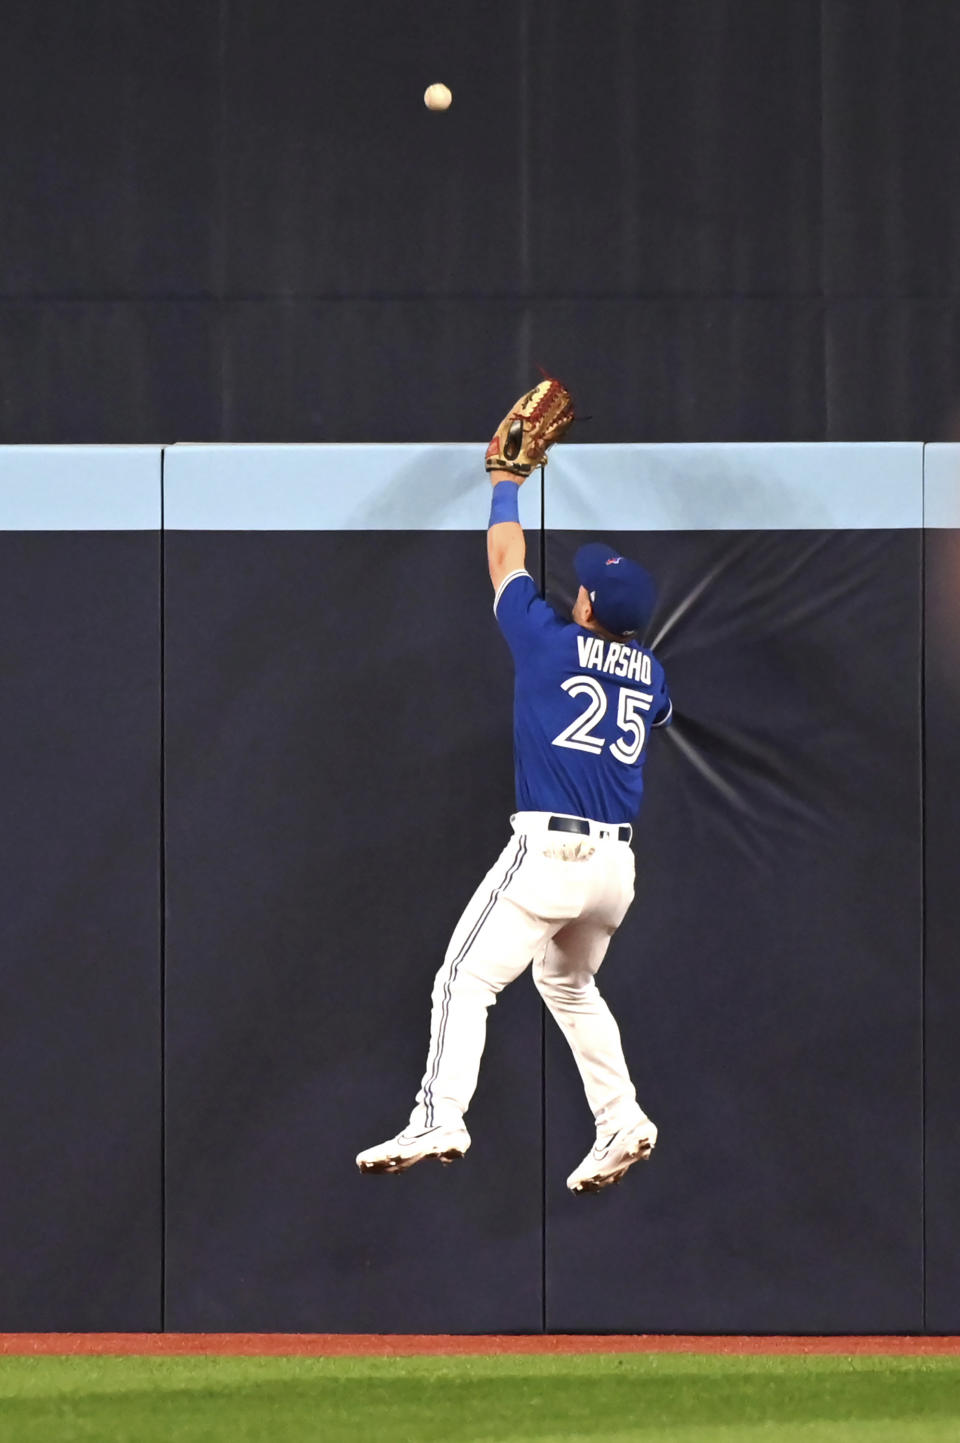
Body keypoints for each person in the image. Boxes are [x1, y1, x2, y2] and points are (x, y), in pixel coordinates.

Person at [356, 387, 672, 1193]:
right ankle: (621, 1116)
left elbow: (505, 560)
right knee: (566, 980)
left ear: (591, 604)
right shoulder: (652, 671)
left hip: (553, 850)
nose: (577, 586)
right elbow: (654, 708)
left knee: (464, 978)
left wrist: (504, 480)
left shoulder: (548, 640)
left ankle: (440, 1112)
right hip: (615, 871)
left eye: (587, 585)